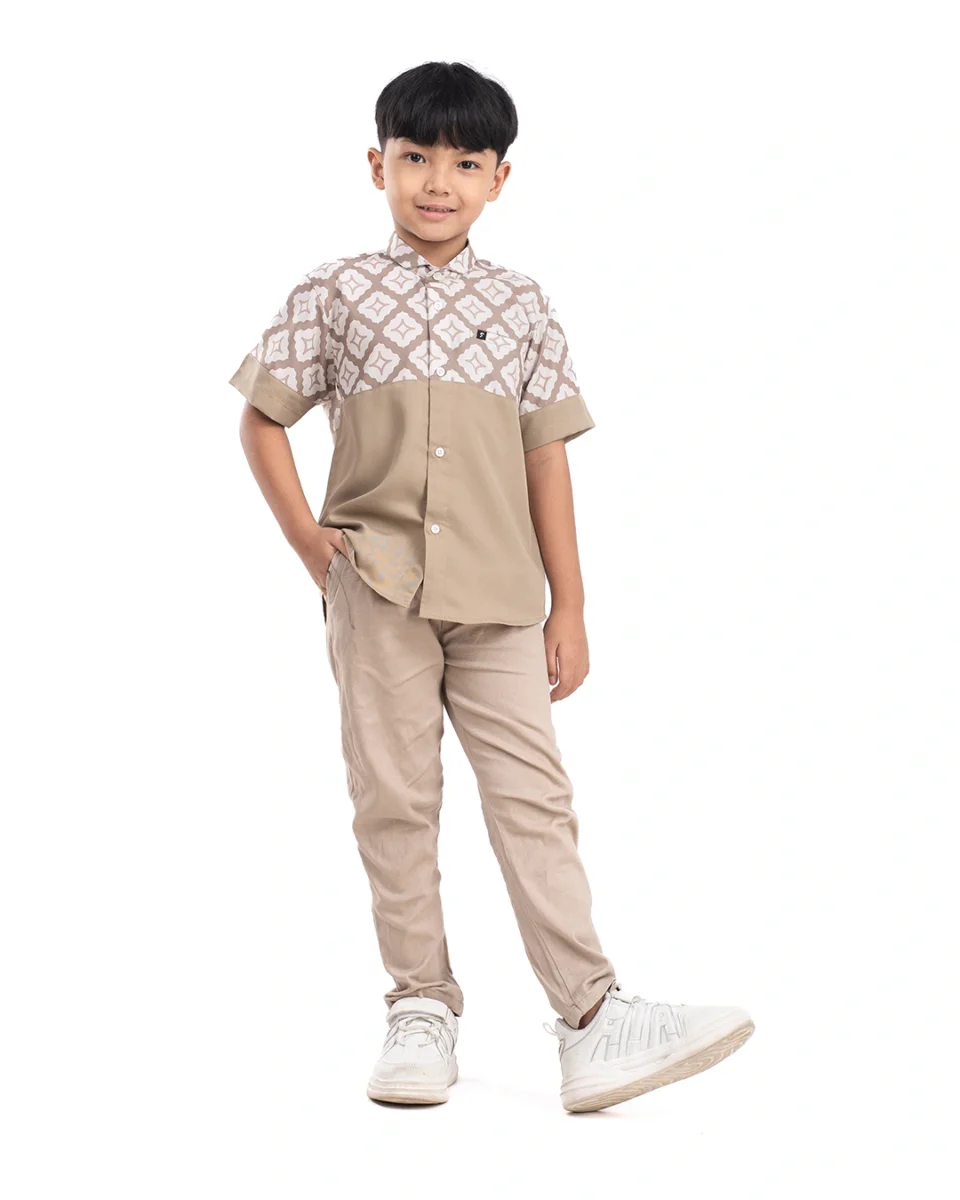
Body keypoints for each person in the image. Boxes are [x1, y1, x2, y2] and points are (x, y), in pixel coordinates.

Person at [230, 60, 754, 1113]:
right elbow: (262, 417)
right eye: (416, 157)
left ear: (499, 179)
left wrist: (573, 605)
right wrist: (312, 548)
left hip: (504, 597)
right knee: (394, 796)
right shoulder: (335, 291)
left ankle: (594, 1018)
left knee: (534, 799)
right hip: (376, 586)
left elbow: (545, 458)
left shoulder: (521, 303)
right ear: (376, 164)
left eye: (466, 163)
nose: (439, 181)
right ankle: (420, 1007)